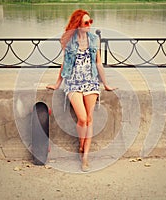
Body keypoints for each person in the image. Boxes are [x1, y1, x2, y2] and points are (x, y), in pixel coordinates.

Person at [46, 9, 116, 172]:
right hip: (73, 82)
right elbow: (64, 63)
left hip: (91, 81)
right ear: (78, 24)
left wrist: (105, 84)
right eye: (86, 22)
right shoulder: (69, 41)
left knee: (89, 119)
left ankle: (85, 156)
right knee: (83, 118)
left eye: (90, 21)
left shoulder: (93, 39)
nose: (90, 25)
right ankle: (81, 143)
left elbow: (98, 63)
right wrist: (57, 84)